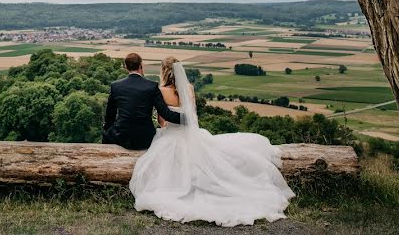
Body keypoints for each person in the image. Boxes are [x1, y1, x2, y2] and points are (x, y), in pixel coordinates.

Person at [129, 57, 295, 226]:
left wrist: (164, 123)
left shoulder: (161, 90)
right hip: (191, 134)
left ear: (163, 71)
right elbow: (192, 117)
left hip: (170, 136)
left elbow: (162, 121)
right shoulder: (189, 88)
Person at [102, 53, 182, 150]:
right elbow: (166, 114)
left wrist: (108, 131)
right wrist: (187, 118)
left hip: (121, 136)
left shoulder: (116, 86)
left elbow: (110, 115)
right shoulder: (152, 86)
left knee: (106, 136)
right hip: (145, 138)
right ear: (141, 65)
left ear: (126, 67)